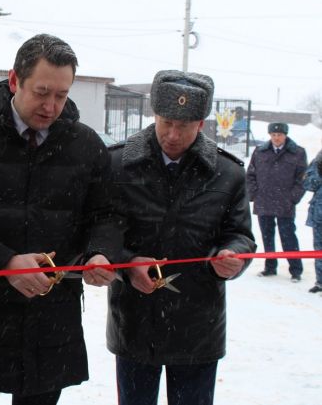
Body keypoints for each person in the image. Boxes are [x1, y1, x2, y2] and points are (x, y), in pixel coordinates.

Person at [0, 34, 115, 405]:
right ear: (15, 80)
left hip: (53, 312)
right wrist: (4, 261)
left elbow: (106, 214)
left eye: (61, 95)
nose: (51, 106)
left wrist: (99, 252)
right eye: (41, 92)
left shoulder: (85, 144)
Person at [91, 70, 256, 405]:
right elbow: (101, 230)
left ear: (201, 124)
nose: (172, 134)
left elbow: (240, 235)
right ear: (155, 115)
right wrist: (126, 265)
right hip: (135, 318)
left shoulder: (228, 174)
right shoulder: (120, 164)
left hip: (198, 321)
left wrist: (232, 256)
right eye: (166, 121)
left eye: (185, 125)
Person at [246, 122, 307, 282]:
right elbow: (251, 174)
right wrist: (254, 194)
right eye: (273, 135)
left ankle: (295, 270)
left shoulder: (298, 153)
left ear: (285, 135)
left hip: (285, 203)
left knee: (288, 236)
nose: (276, 138)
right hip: (264, 201)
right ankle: (270, 266)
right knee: (267, 236)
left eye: (279, 135)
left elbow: (301, 179)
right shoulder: (260, 151)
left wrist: (293, 198)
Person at [303, 148, 322, 293]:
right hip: (320, 214)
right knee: (319, 250)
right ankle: (321, 281)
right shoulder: (319, 160)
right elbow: (308, 184)